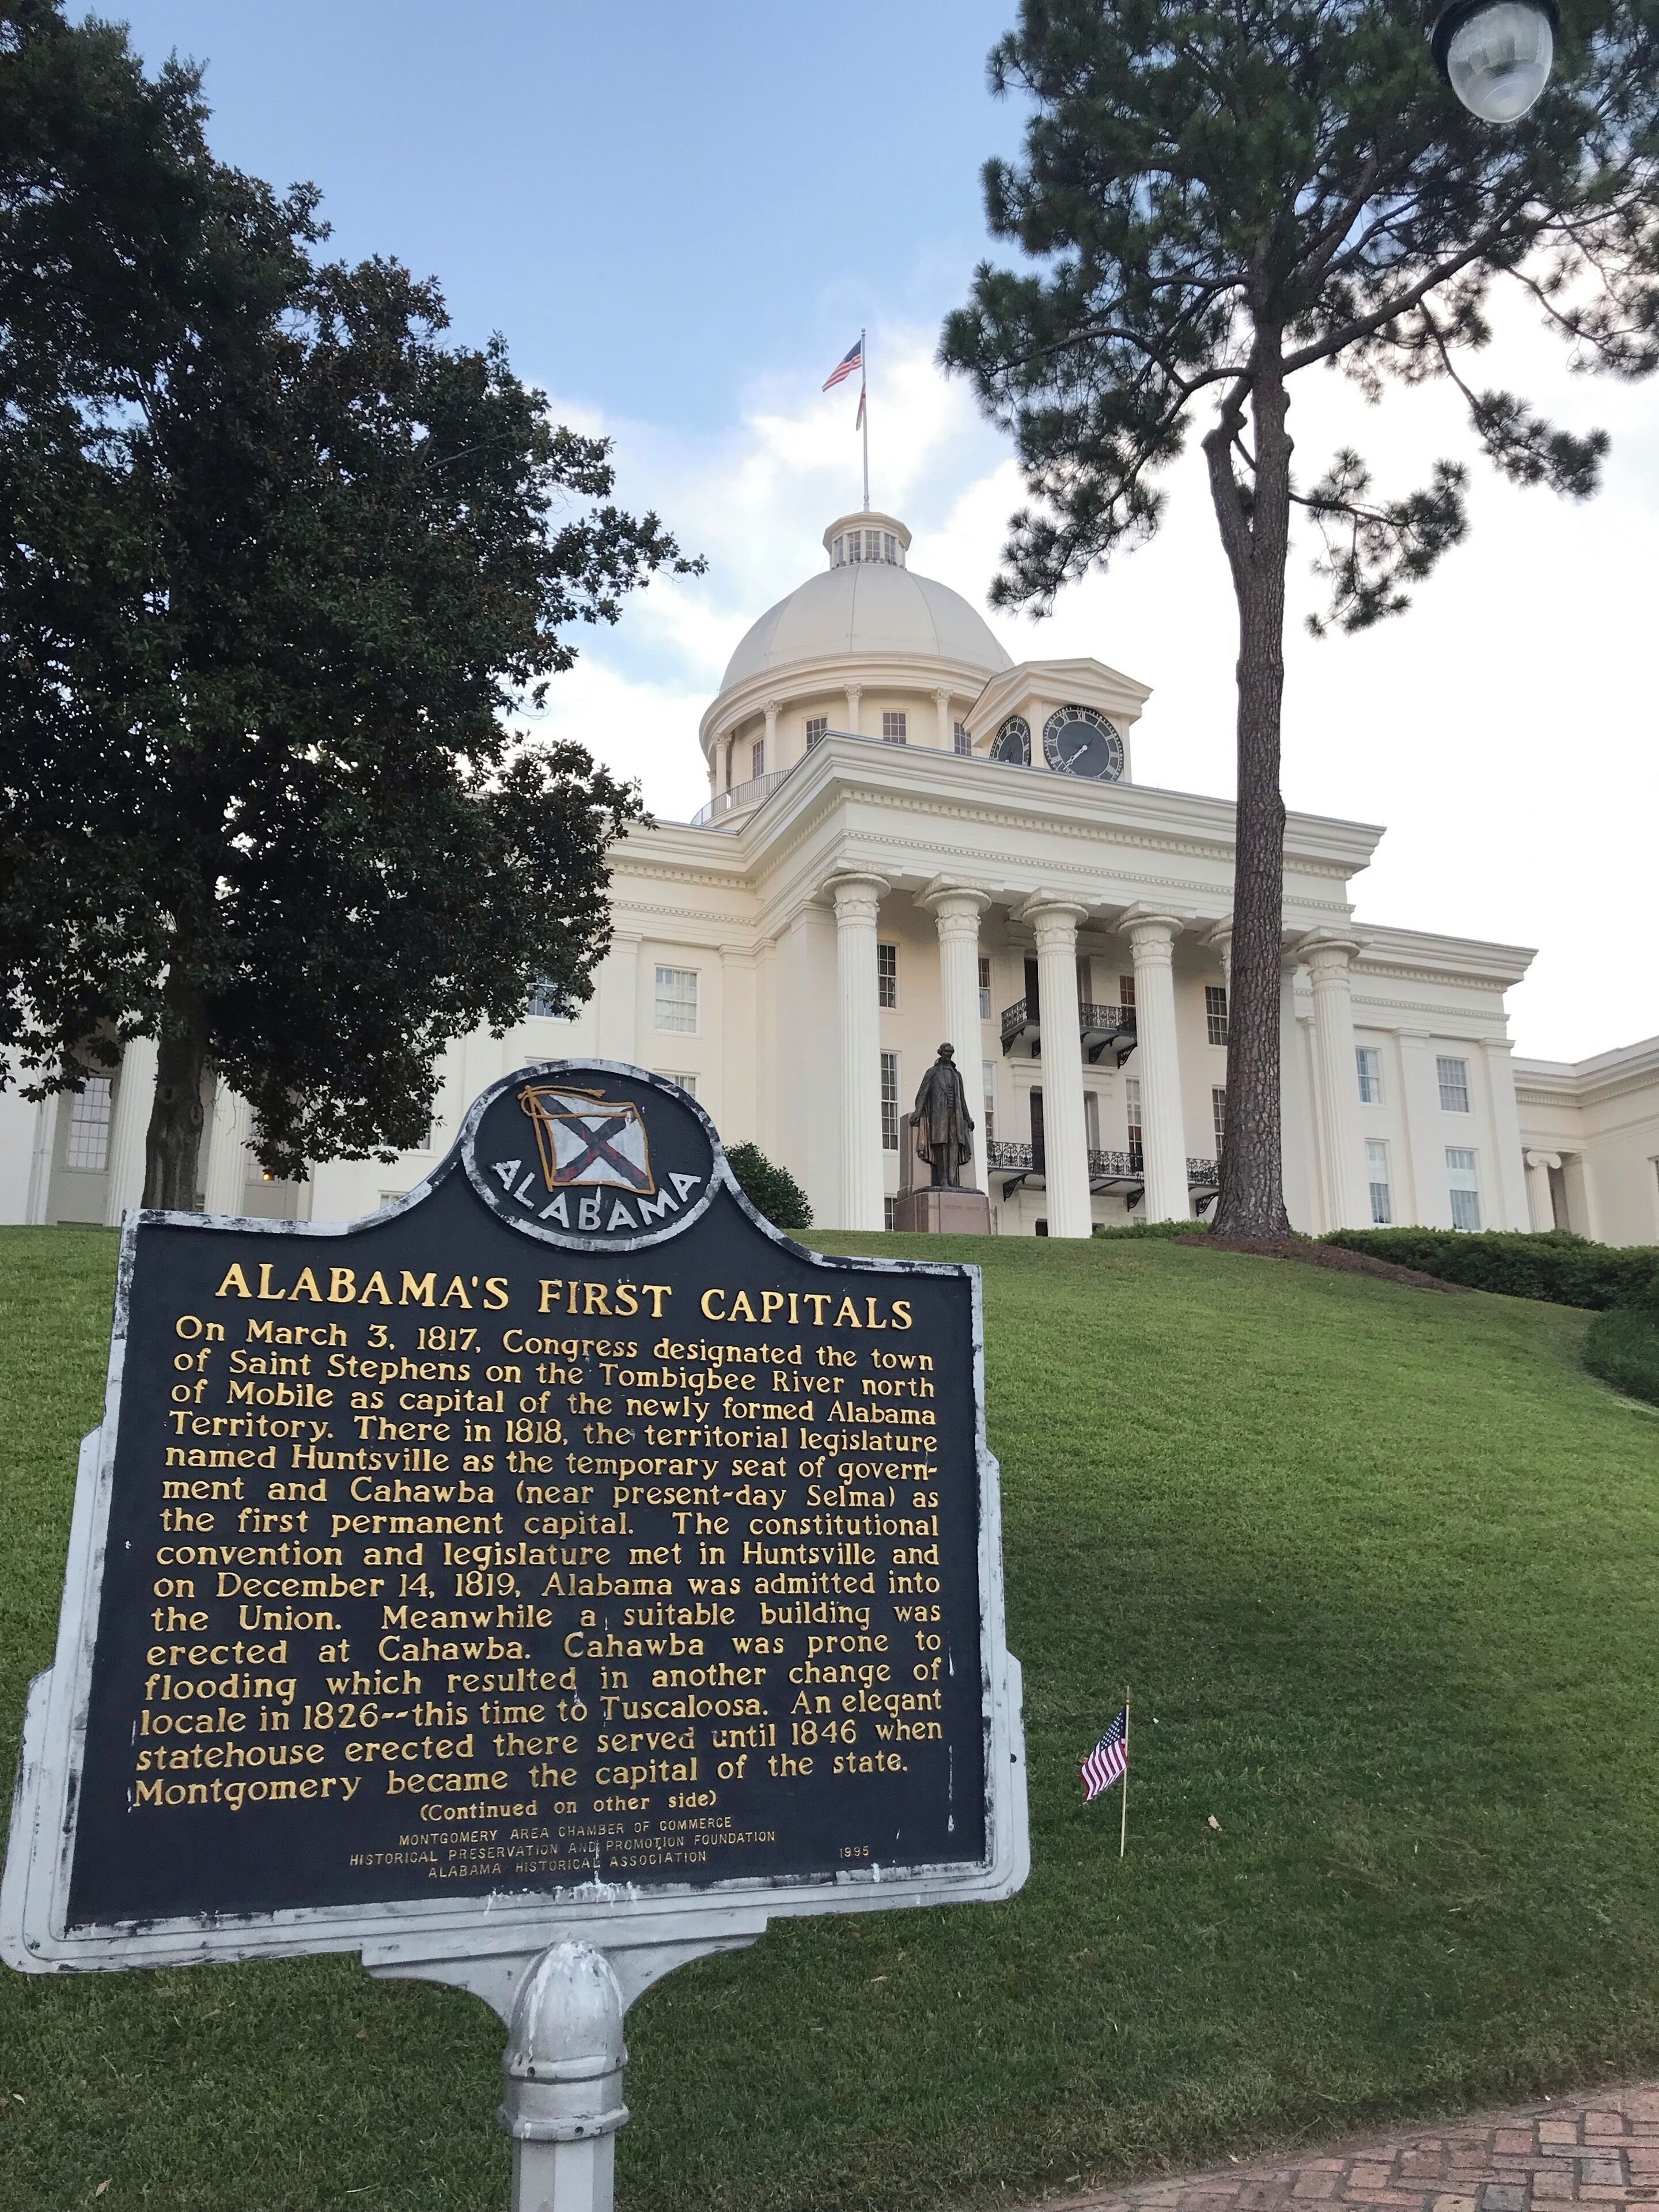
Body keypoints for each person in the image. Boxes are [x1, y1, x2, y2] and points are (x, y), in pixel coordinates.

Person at [912, 1043, 975, 1190]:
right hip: (939, 1115)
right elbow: (923, 1093)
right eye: (947, 1052)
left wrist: (967, 1118)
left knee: (954, 1146)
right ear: (940, 1053)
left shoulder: (957, 1075)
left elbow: (962, 1099)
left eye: (951, 1052)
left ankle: (953, 1181)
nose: (949, 1054)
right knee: (942, 1146)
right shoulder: (933, 1072)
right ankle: (943, 1180)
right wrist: (918, 1111)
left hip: (955, 1115)